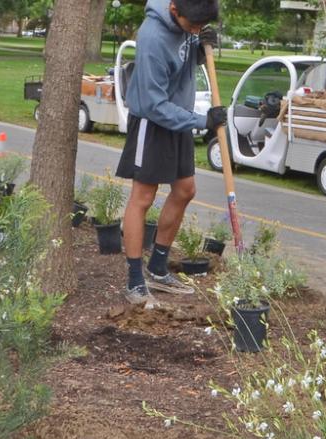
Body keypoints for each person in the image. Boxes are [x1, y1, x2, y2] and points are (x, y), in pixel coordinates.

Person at [116, 0, 227, 306]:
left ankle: (158, 267)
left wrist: (199, 52)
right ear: (174, 10)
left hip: (177, 117)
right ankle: (135, 281)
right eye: (193, 26)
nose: (195, 30)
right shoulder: (151, 38)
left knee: (185, 189)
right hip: (152, 123)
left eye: (200, 27)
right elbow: (154, 104)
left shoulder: (189, 16)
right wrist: (202, 121)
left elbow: (179, 64)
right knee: (143, 198)